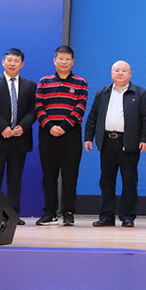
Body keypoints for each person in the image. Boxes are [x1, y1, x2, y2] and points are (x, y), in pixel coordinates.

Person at [84, 60, 146, 227]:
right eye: (116, 70)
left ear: (130, 74)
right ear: (111, 73)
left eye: (124, 70)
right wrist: (88, 137)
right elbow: (93, 116)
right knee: (106, 181)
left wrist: (144, 139)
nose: (120, 73)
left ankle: (127, 217)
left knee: (129, 181)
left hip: (129, 142)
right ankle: (106, 216)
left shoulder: (140, 93)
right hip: (107, 142)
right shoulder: (103, 93)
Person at [0, 48, 37, 215]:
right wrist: (3, 127)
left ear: (22, 64)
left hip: (19, 139)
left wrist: (23, 126)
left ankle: (12, 215)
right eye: (9, 60)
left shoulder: (30, 85)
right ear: (3, 62)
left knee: (15, 180)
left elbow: (34, 110)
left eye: (16, 61)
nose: (12, 63)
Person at [35, 45, 87, 227]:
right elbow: (39, 107)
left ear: (72, 62)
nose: (64, 62)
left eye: (67, 59)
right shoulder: (44, 82)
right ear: (54, 60)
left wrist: (64, 126)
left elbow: (80, 108)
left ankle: (68, 212)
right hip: (47, 134)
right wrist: (50, 126)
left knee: (70, 175)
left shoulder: (81, 83)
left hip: (70, 134)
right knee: (48, 175)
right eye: (61, 58)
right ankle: (49, 213)